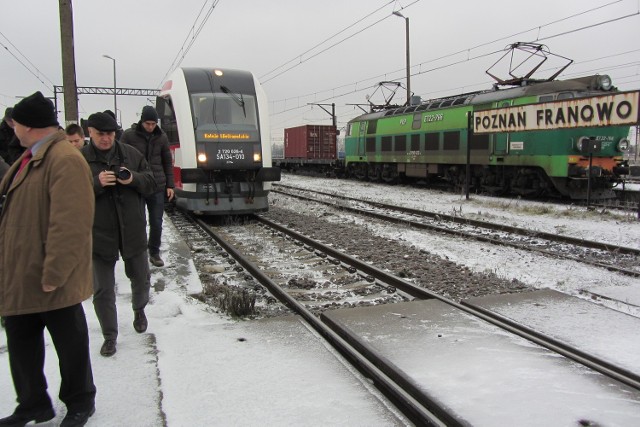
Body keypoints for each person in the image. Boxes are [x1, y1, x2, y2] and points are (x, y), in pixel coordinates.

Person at [0, 91, 96, 426]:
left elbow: (71, 223)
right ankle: (33, 403)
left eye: (15, 124)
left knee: (70, 343)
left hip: (51, 274)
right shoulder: (29, 157)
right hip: (22, 273)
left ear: (27, 126)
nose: (13, 130)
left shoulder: (63, 160)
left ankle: (81, 401)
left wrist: (55, 271)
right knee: (22, 341)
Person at [81, 111, 157, 357]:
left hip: (132, 230)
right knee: (102, 290)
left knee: (142, 279)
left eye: (110, 133)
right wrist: (96, 183)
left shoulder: (131, 155)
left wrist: (132, 178)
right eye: (100, 133)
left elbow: (151, 182)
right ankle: (110, 336)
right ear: (89, 133)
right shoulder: (80, 160)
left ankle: (139, 309)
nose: (105, 138)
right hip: (100, 234)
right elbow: (71, 196)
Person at [121, 105, 175, 267]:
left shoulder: (162, 137)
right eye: (147, 124)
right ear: (142, 121)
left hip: (157, 185)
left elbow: (167, 161)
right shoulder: (129, 136)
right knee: (138, 221)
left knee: (156, 221)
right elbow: (120, 157)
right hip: (136, 185)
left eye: (153, 124)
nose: (151, 127)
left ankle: (154, 252)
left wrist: (170, 185)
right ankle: (138, 251)